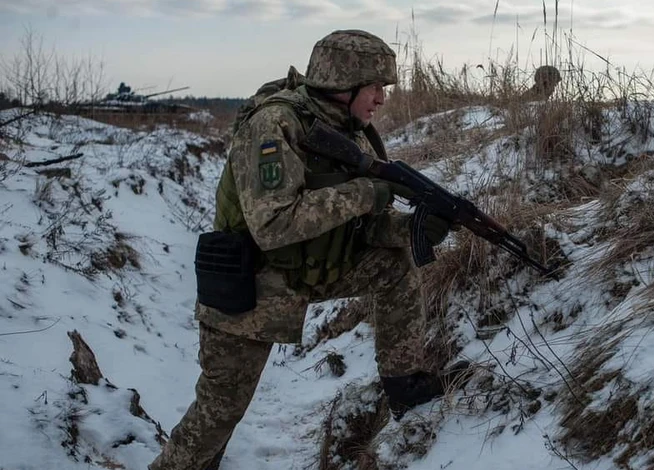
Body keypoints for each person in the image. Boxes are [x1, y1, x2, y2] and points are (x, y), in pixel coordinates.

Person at [150, 29, 467, 470]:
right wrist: (367, 193)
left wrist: (413, 229)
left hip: (308, 272)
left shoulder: (349, 132)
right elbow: (274, 224)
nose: (381, 98)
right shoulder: (274, 125)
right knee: (218, 414)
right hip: (250, 286)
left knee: (394, 265)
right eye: (375, 87)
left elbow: (364, 225)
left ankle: (404, 382)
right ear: (345, 82)